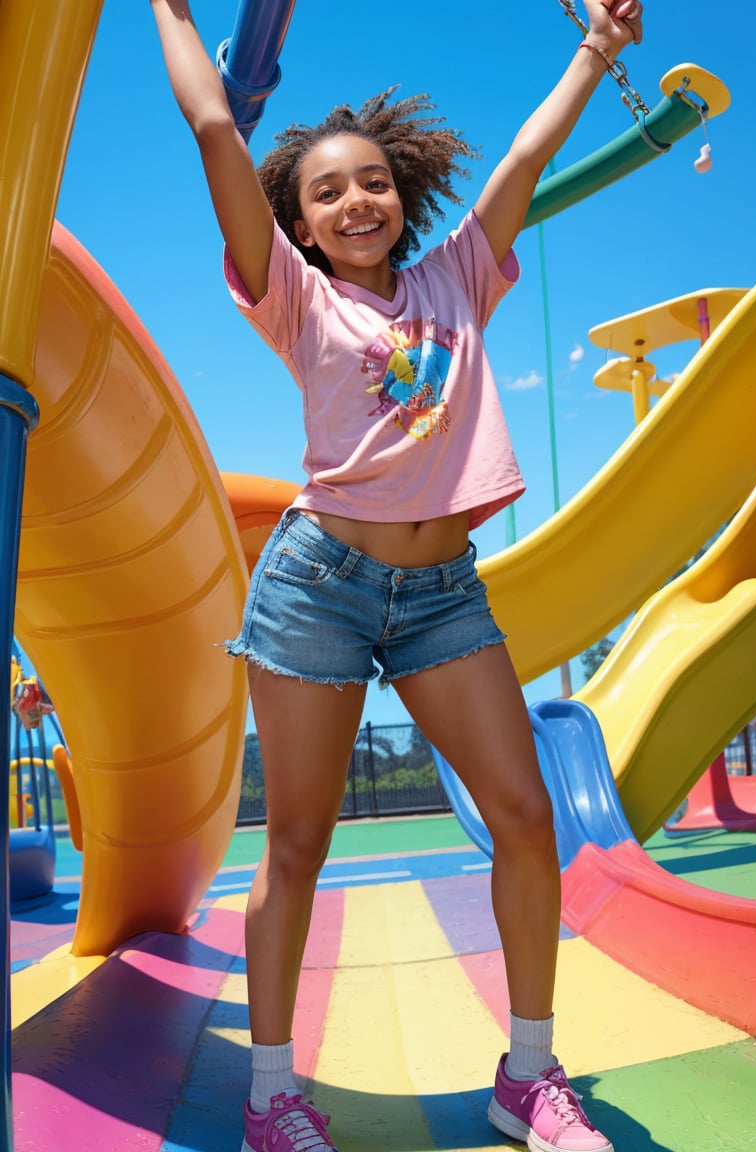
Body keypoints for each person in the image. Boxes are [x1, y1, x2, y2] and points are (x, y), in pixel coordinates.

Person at [149, 3, 643, 1150]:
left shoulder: (460, 278)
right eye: (327, 193)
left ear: (401, 196)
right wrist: (169, 9)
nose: (355, 202)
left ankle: (530, 1078)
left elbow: (524, 156)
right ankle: (275, 1097)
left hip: (441, 595)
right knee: (299, 844)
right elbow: (216, 122)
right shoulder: (294, 296)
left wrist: (595, 52)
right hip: (317, 586)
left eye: (372, 182)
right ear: (300, 226)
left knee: (524, 817)